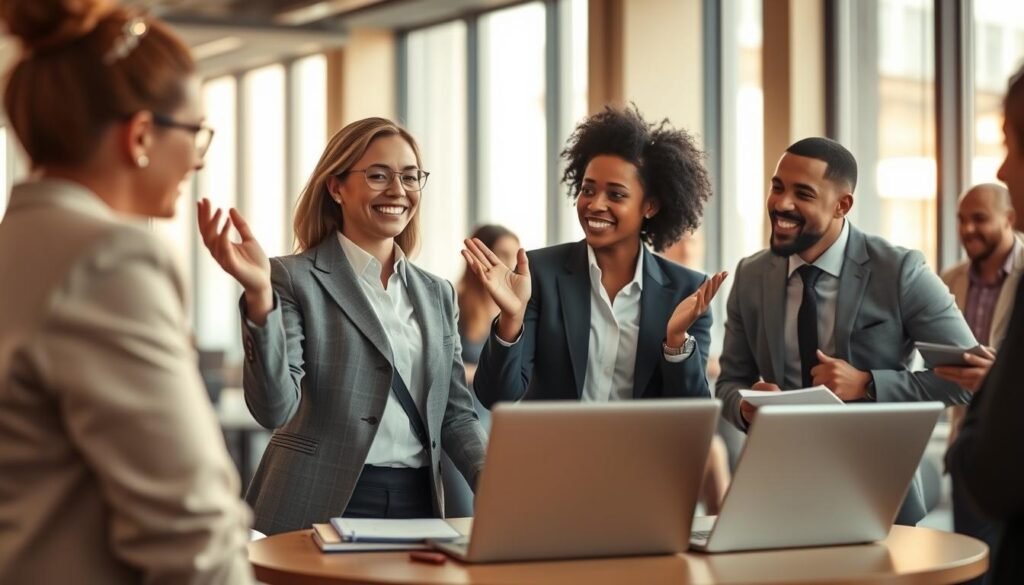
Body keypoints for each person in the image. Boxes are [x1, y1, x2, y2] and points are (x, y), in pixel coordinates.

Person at [0, 1, 253, 583]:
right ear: (141, 134)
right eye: (196, 132)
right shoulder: (107, 260)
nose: (197, 157)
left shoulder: (19, 247)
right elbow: (191, 532)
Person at [198, 117, 487, 535]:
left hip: (418, 502)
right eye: (377, 175)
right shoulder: (292, 278)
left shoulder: (436, 293)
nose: (397, 190)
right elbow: (273, 408)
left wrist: (497, 484)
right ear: (336, 187)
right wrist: (261, 295)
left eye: (410, 177)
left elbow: (456, 415)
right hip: (322, 499)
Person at [716, 136, 976, 526]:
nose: (781, 204)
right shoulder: (751, 275)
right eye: (777, 186)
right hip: (774, 491)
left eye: (802, 193)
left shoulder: (901, 271)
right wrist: (743, 405)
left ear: (842, 205)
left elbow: (967, 378)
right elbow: (730, 381)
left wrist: (868, 384)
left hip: (877, 495)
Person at [467, 104, 725, 410]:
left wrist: (676, 341)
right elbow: (495, 396)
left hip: (641, 457)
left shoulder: (687, 290)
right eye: (588, 190)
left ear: (650, 206)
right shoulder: (541, 274)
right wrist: (511, 318)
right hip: (556, 455)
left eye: (616, 194)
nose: (595, 204)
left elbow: (690, 418)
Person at [948, 63, 1024, 585]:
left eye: (1011, 145)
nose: (1003, 169)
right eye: (962, 218)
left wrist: (993, 389)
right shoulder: (946, 280)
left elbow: (997, 471)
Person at [935, 184, 1020, 584]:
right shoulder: (949, 279)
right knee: (970, 571)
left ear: (1009, 219)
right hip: (968, 445)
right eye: (962, 219)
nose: (968, 228)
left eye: (980, 218)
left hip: (1015, 452)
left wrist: (999, 379)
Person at [457, 224, 520, 384]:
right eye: (503, 255)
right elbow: (440, 367)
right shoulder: (455, 306)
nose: (512, 264)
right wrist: (488, 374)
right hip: (469, 404)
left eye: (515, 256)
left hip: (510, 406)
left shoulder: (519, 308)